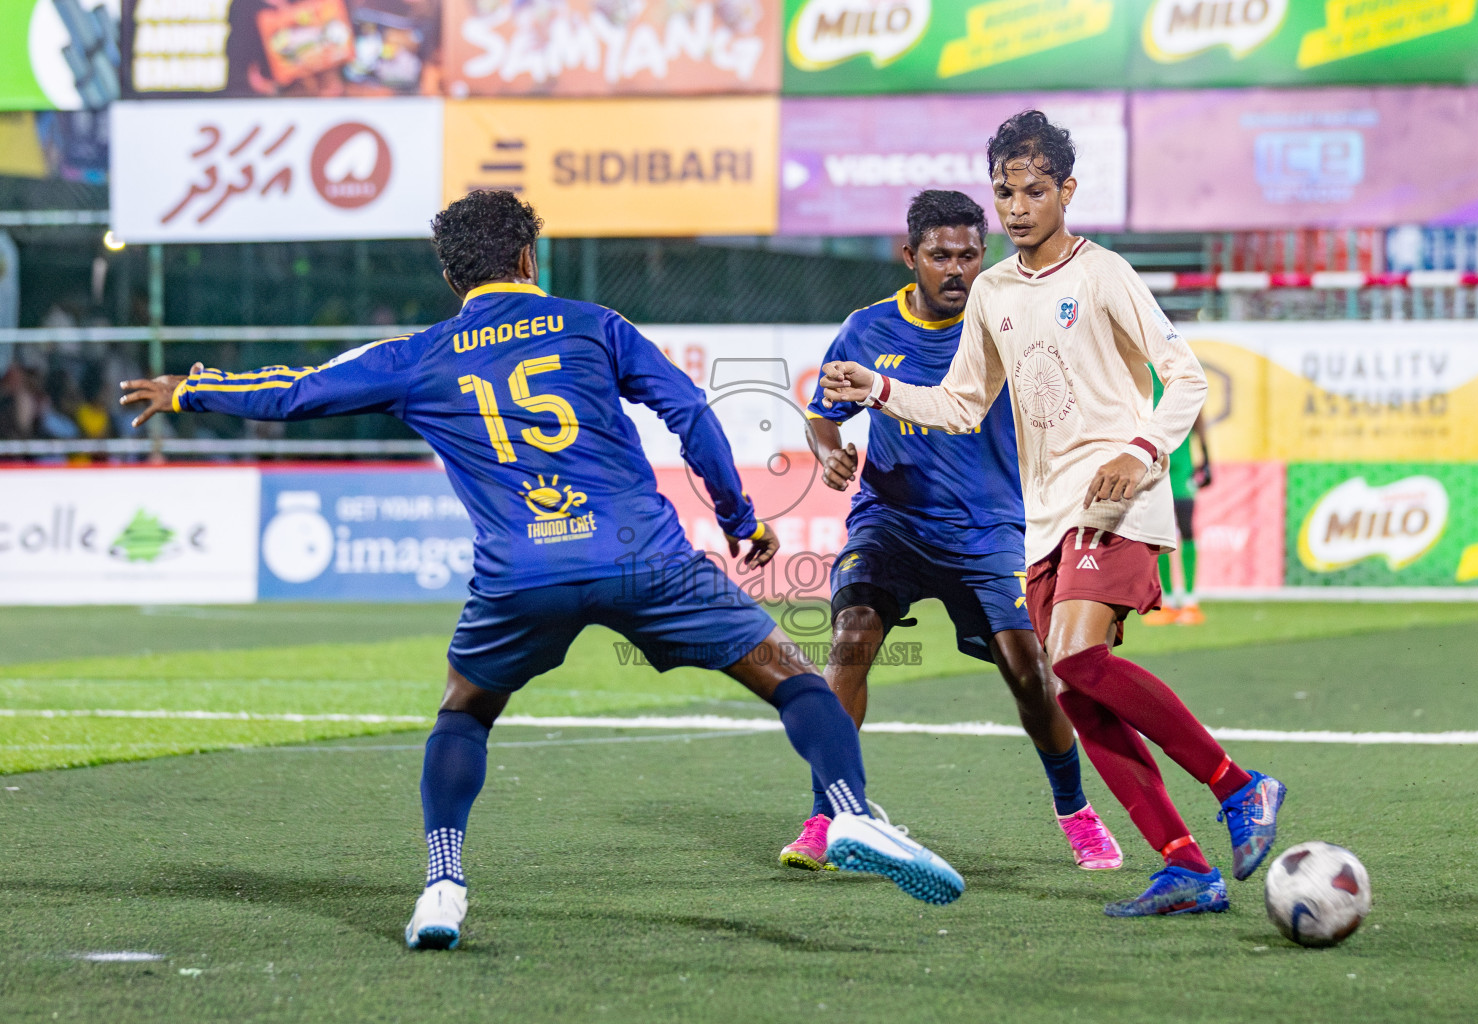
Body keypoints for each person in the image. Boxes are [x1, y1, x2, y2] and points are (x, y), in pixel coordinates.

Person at [120, 190, 966, 950]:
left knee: (465, 712)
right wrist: (741, 520)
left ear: (454, 275)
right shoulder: (594, 324)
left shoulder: (420, 353)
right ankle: (853, 813)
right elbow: (690, 415)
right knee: (793, 678)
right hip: (645, 558)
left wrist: (188, 391)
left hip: (521, 573)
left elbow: (297, 392)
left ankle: (443, 883)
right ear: (529, 258)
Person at [817, 111, 1286, 918]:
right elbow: (964, 404)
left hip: (1114, 498)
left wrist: (1139, 451)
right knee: (1074, 693)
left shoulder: (1103, 274)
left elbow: (1188, 379)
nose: (1018, 206)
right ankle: (1183, 863)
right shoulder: (994, 291)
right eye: (1006, 191)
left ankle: (1239, 785)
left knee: (1071, 655)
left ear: (1067, 191)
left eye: (1035, 190)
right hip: (1044, 517)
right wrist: (882, 388)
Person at [784, 189, 1122, 874]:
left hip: (990, 530)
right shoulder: (867, 329)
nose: (957, 270)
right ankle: (828, 814)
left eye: (970, 254)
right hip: (891, 523)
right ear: (910, 257)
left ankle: (1076, 812)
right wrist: (829, 453)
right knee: (849, 646)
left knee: (1029, 673)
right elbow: (822, 413)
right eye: (940, 256)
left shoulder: (1012, 324)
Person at [1142, 397, 1211, 627]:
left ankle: (1191, 601)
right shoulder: (1145, 373)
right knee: (1159, 533)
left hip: (1182, 470)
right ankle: (1169, 602)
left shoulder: (1176, 371)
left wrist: (1206, 456)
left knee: (1187, 529)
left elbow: (1197, 409)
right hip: (1156, 469)